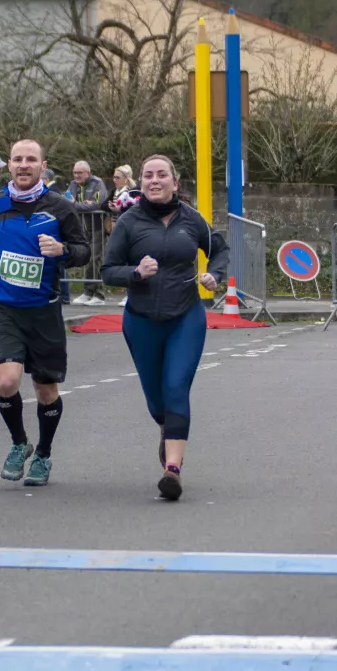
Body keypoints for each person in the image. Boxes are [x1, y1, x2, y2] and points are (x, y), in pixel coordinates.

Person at [0, 139, 90, 487]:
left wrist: (63, 250)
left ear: (42, 166)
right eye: (17, 159)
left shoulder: (60, 207)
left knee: (46, 391)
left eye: (30, 159)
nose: (23, 165)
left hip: (43, 312)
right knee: (6, 382)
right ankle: (19, 443)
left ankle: (43, 454)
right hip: (4, 310)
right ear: (8, 164)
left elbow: (83, 250)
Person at [101, 154, 228, 501]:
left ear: (175, 181)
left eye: (161, 175)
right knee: (157, 401)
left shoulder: (192, 219)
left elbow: (219, 250)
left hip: (186, 316)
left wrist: (214, 275)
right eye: (148, 175)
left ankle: (172, 470)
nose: (154, 180)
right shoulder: (129, 222)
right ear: (141, 182)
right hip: (141, 320)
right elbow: (108, 270)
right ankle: (166, 428)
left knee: (175, 387)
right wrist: (135, 273)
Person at [67, 160, 110, 305]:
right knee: (86, 259)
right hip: (82, 228)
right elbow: (67, 202)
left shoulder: (97, 183)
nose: (76, 176)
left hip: (98, 227)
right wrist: (81, 204)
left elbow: (97, 204)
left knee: (95, 260)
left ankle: (99, 295)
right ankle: (88, 292)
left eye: (79, 173)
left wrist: (75, 204)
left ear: (87, 173)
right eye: (74, 173)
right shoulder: (73, 184)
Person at [108, 164, 137, 306]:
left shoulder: (130, 194)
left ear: (126, 179)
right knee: (124, 261)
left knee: (131, 260)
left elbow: (131, 209)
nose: (114, 180)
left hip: (130, 230)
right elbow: (104, 204)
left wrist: (118, 210)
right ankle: (128, 292)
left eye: (117, 177)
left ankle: (131, 293)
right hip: (120, 228)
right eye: (114, 177)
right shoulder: (116, 192)